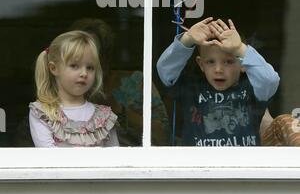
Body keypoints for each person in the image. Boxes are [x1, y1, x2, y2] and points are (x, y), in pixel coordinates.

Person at [157, 17, 280, 146]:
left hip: (242, 165)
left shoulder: (252, 88)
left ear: (244, 64)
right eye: (210, 62)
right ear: (201, 64)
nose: (218, 69)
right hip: (199, 164)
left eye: (228, 61)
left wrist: (240, 49)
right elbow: (165, 70)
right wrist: (187, 40)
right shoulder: (192, 87)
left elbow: (270, 80)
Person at [70, 18, 171, 146]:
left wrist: (120, 112)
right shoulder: (66, 88)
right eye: (78, 56)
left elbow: (163, 137)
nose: (86, 63)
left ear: (105, 55)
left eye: (94, 53)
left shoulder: (136, 82)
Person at [29, 30, 119, 147]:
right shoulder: (43, 113)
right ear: (53, 68)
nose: (84, 73)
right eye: (74, 66)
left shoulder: (104, 116)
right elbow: (50, 159)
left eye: (90, 67)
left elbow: (116, 159)